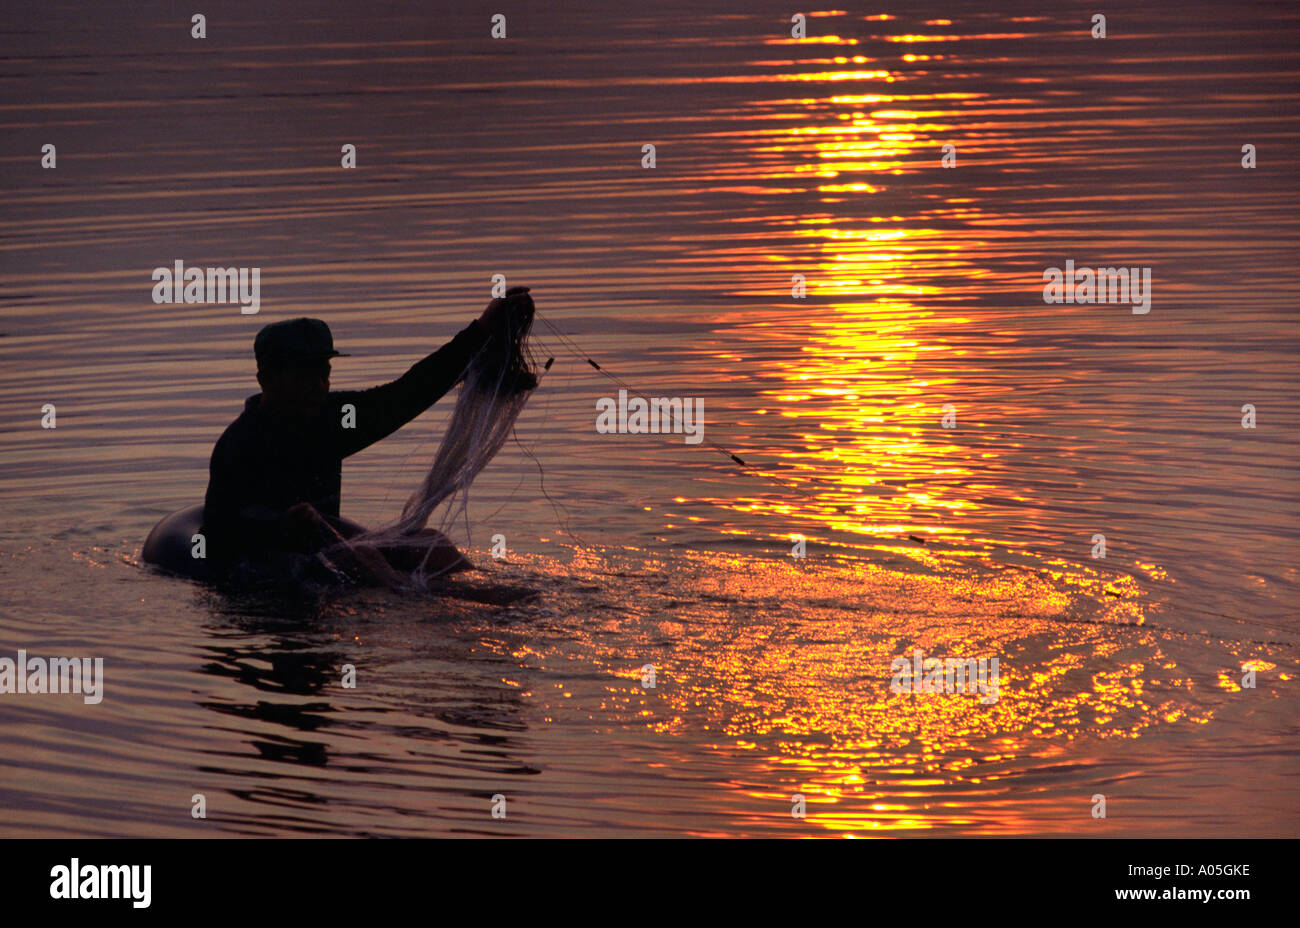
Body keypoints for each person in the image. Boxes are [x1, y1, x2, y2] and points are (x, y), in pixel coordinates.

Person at [200, 287, 534, 588]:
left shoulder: (333, 420)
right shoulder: (239, 446)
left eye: (324, 373)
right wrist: (282, 525)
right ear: (266, 379)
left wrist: (482, 330)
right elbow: (219, 537)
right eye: (304, 375)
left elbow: (405, 394)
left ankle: (481, 600)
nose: (319, 385)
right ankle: (455, 606)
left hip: (328, 548)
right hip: (270, 570)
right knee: (361, 562)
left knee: (434, 546)